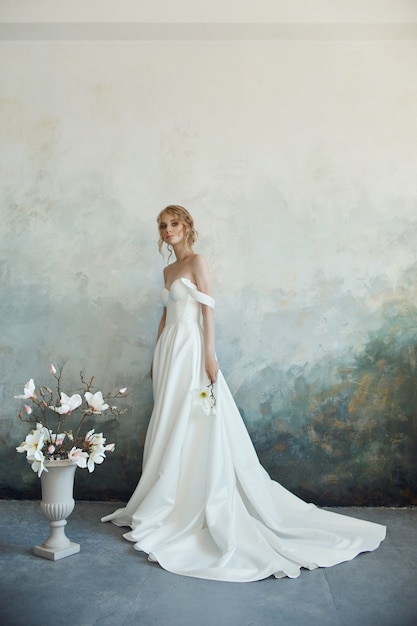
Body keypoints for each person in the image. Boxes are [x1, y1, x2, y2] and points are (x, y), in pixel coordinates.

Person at [102, 205, 386, 582]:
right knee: (168, 417)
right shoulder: (168, 270)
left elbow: (208, 312)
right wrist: (156, 355)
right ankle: (164, 492)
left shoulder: (197, 262)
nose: (168, 230)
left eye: (174, 224)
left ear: (187, 227)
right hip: (170, 349)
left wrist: (208, 354)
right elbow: (165, 314)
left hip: (191, 348)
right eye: (162, 226)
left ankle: (188, 499)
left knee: (193, 418)